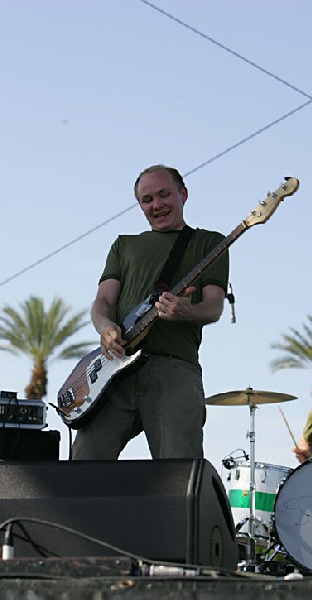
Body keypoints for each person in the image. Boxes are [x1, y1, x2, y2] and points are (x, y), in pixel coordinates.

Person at [72, 164, 229, 460]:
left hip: (174, 369)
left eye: (163, 194)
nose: (156, 205)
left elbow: (214, 306)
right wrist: (105, 326)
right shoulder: (124, 245)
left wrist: (186, 311)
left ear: (183, 194)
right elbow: (103, 301)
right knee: (83, 466)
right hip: (113, 371)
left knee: (178, 474)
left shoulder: (209, 242)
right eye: (147, 200)